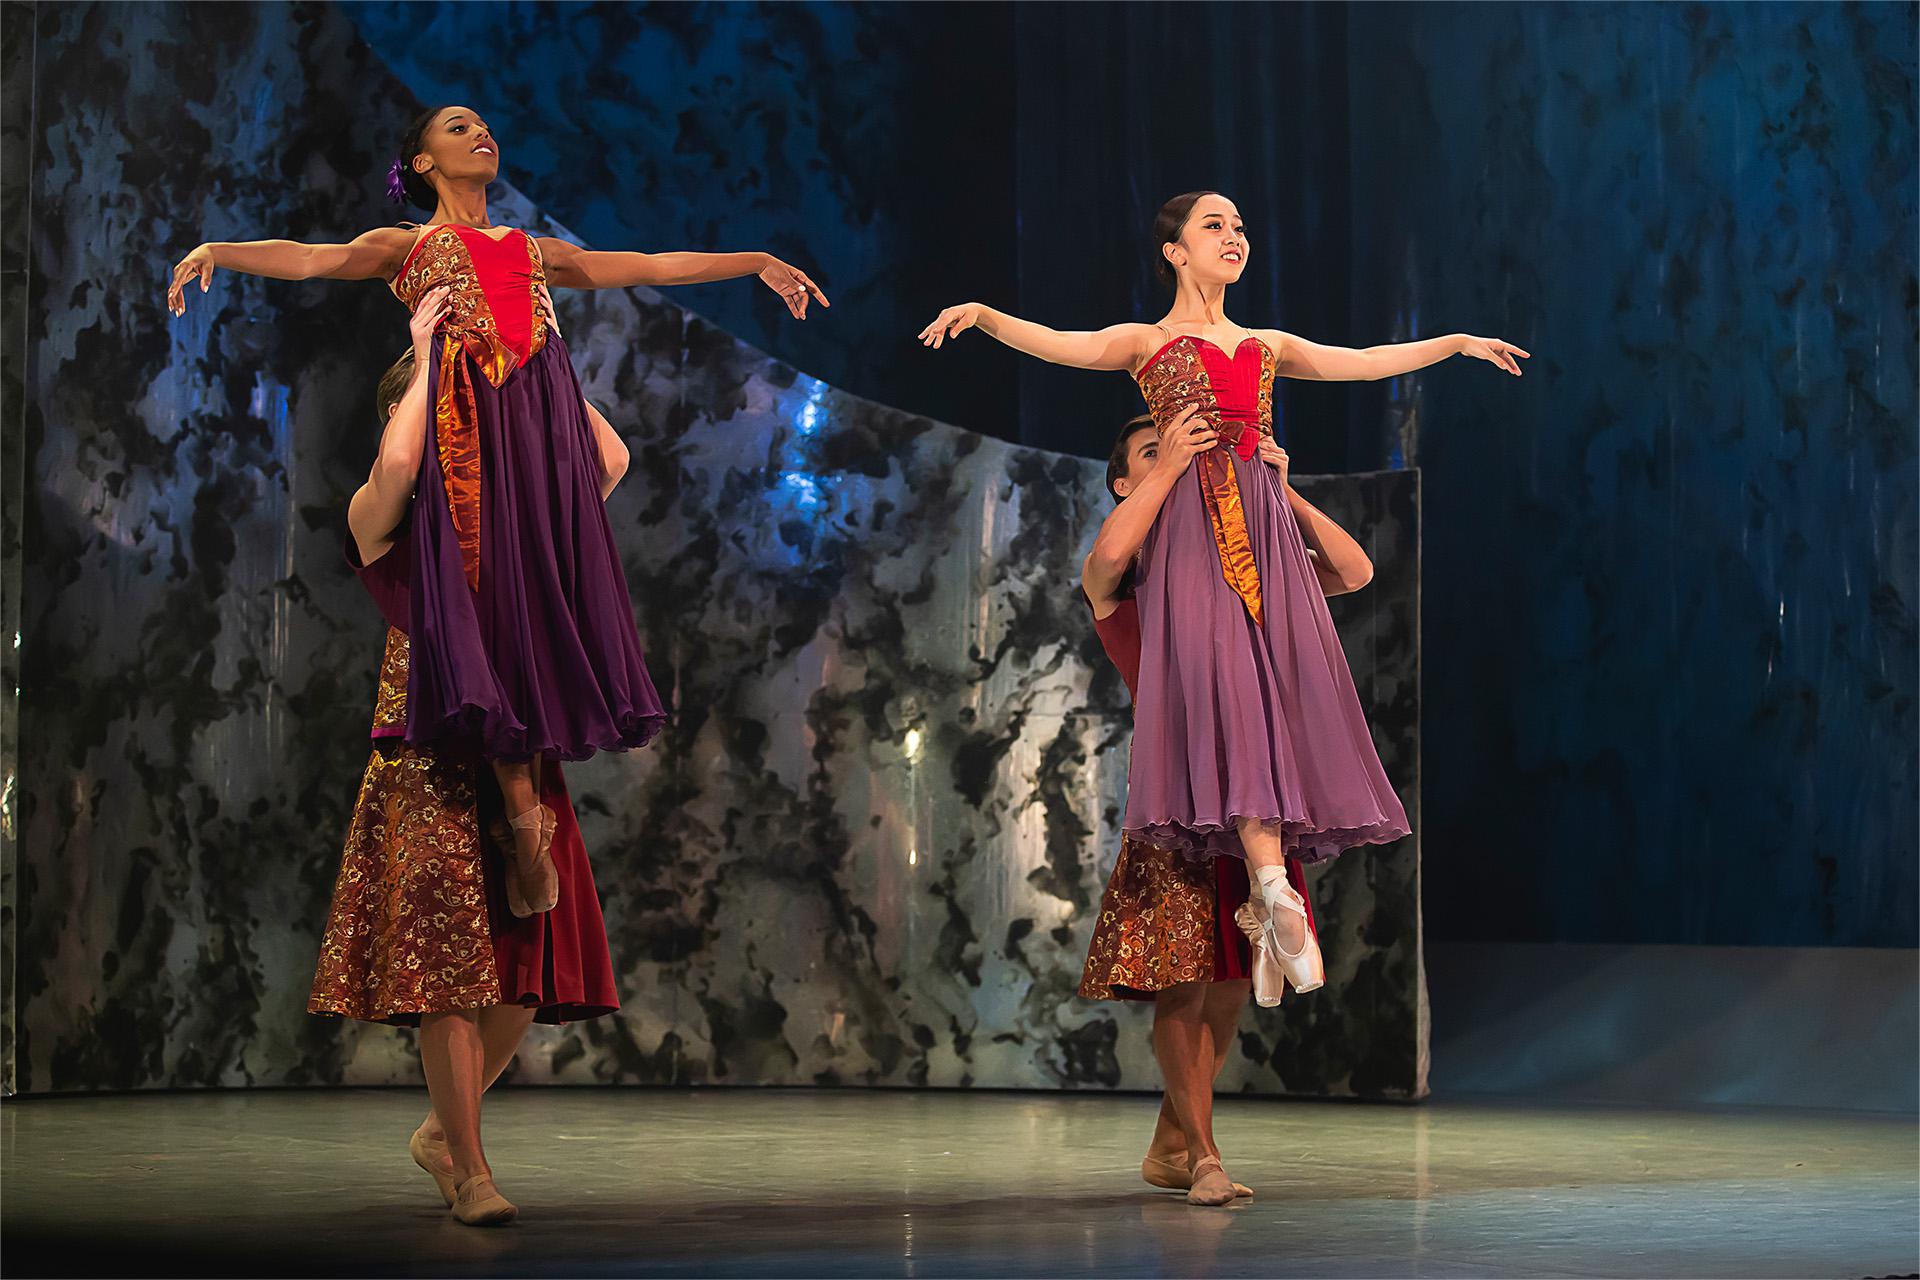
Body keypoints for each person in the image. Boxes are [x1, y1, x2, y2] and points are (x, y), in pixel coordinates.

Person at [168, 104, 829, 919]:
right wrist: (216, 251)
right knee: (490, 615)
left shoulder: (531, 253)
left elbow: (648, 264)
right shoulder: (407, 245)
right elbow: (312, 257)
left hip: (540, 434)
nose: (478, 133)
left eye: (481, 125)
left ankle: (529, 816)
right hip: (466, 439)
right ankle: (523, 828)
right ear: (420, 164)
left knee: (537, 612)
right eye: (455, 127)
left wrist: (755, 260)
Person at [923, 190, 1525, 971]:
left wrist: (1452, 343)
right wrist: (984, 315)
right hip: (1192, 529)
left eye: (1240, 227)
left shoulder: (1266, 344)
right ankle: (1271, 889)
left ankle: (1266, 899)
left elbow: (1367, 362)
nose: (1234, 237)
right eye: (1215, 225)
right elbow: (1056, 344)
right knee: (1233, 689)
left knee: (1281, 692)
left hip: (1265, 519)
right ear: (1174, 250)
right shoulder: (1147, 340)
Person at [308, 292, 626, 1227]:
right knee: (449, 967)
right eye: (455, 396)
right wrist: (424, 353)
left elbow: (606, 459)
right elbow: (404, 459)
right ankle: (469, 1170)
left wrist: (550, 356)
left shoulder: (512, 526)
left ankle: (447, 1129)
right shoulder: (382, 516)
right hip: (428, 751)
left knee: (528, 963)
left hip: (519, 746)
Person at [1078, 408, 1375, 1206]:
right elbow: (1102, 557)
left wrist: (1283, 489)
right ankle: (1203, 1155)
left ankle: (1173, 1143)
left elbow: (1354, 570)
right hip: (1177, 805)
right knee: (1183, 982)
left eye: (1181, 443)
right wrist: (1173, 464)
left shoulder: (1238, 570)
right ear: (1122, 481)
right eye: (1149, 450)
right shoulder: (1132, 575)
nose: (1176, 451)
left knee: (1232, 982)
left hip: (1253, 805)